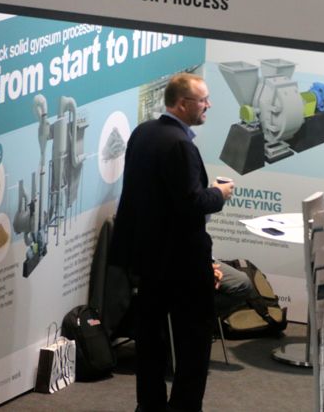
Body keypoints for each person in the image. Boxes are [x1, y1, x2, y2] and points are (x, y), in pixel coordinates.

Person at [112, 72, 234, 412]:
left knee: (150, 337)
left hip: (148, 258)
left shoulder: (143, 133)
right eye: (203, 100)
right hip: (181, 261)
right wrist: (220, 193)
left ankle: (149, 405)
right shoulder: (180, 145)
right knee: (194, 339)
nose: (209, 105)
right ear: (182, 104)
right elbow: (191, 203)